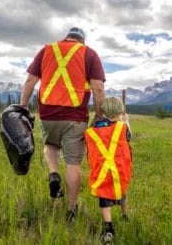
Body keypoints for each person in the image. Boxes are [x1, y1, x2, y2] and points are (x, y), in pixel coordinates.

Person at [20, 27, 106, 222]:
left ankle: (53, 174)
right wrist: (100, 116)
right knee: (73, 162)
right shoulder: (89, 53)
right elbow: (98, 89)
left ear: (66, 37)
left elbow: (30, 80)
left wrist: (22, 107)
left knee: (50, 145)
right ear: (82, 40)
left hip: (48, 114)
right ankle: (71, 210)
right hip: (75, 117)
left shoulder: (47, 50)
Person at [84, 96, 132, 244]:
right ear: (120, 113)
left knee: (104, 201)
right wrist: (127, 122)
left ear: (103, 112)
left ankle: (109, 229)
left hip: (102, 173)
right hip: (119, 172)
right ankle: (125, 216)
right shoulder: (123, 128)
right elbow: (129, 137)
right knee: (122, 195)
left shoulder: (92, 131)